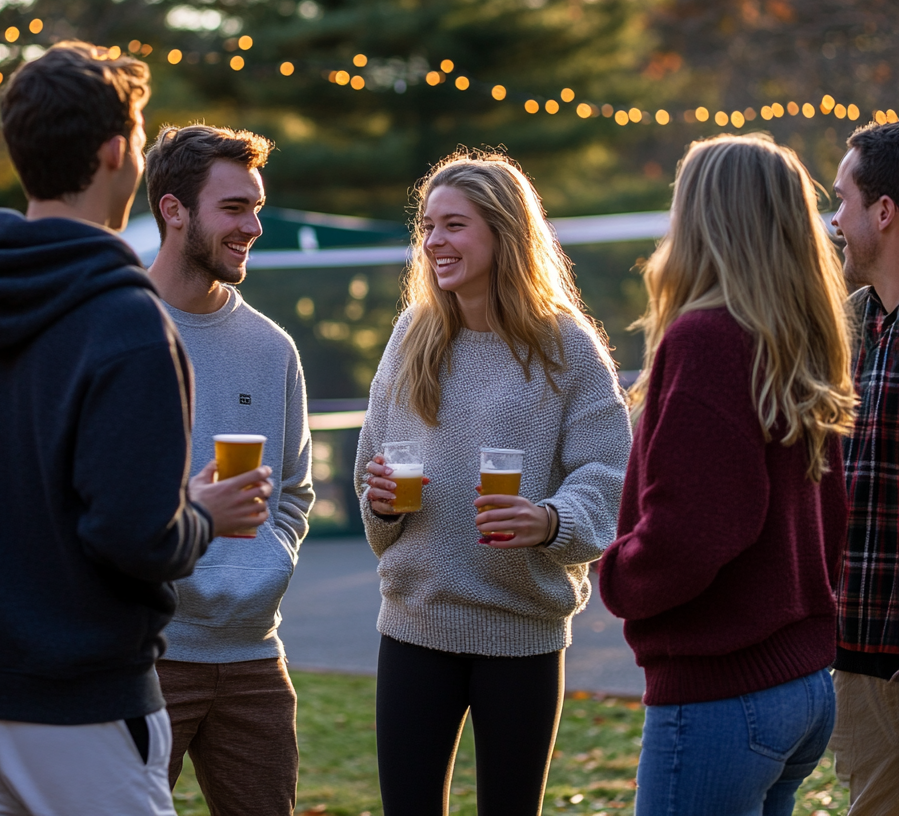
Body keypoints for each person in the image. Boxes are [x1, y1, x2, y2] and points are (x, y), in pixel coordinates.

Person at [0, 43, 272, 816]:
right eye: (137, 139)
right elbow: (137, 539)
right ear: (116, 152)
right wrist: (205, 512)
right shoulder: (128, 324)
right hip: (85, 712)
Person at [356, 150, 632, 816]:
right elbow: (375, 459)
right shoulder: (412, 335)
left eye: (453, 225)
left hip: (522, 629)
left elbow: (611, 471)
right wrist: (383, 502)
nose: (433, 243)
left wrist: (553, 521)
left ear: (504, 232)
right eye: (426, 226)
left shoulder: (567, 345)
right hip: (416, 620)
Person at [599, 133, 855, 816]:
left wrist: (618, 572)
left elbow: (695, 529)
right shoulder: (797, 339)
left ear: (705, 218)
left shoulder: (707, 338)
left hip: (723, 693)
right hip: (800, 686)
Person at [145, 123, 315, 816]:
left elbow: (295, 492)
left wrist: (264, 565)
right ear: (174, 210)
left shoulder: (271, 347)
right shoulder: (116, 331)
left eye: (256, 208)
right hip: (146, 657)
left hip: (254, 657)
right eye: (234, 208)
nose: (253, 226)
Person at [828, 121, 899, 815]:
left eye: (842, 202)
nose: (835, 221)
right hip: (858, 650)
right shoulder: (854, 324)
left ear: (884, 212)